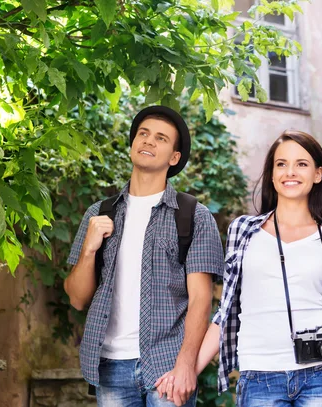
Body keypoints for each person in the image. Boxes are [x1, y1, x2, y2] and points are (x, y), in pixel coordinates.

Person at [157, 130, 322, 406]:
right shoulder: (244, 231)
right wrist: (186, 370)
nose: (290, 172)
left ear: (318, 174)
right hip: (259, 377)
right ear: (272, 175)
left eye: (302, 164)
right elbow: (226, 311)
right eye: (281, 164)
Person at [65, 105, 224, 407]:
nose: (149, 141)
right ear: (133, 144)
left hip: (167, 366)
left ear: (174, 158)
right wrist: (88, 249)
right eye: (143, 134)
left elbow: (201, 301)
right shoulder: (99, 214)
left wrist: (186, 365)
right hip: (110, 367)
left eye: (161, 138)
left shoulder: (194, 216)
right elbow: (76, 299)